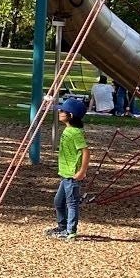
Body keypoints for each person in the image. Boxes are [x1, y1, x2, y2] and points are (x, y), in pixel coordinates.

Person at [47, 96, 89, 240]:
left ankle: (70, 231)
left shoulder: (75, 133)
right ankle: (62, 226)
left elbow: (86, 151)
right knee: (58, 202)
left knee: (72, 203)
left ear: (70, 115)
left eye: (62, 111)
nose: (59, 113)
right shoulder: (68, 130)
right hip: (65, 174)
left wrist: (82, 171)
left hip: (72, 175)